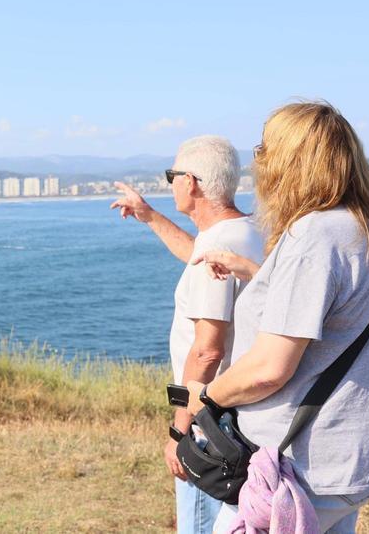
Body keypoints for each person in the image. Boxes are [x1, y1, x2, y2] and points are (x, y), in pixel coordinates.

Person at [186, 102, 369, 534]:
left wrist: (206, 397)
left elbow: (269, 368)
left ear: (289, 163)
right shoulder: (368, 229)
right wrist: (254, 273)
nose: (259, 161)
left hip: (298, 467)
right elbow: (334, 308)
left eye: (265, 149)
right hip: (348, 458)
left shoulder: (313, 235)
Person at [112, 135, 265, 534]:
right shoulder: (246, 231)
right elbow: (196, 253)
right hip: (240, 414)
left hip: (211, 423)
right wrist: (148, 215)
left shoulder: (219, 242)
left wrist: (180, 431)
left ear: (192, 182)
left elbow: (206, 352)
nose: (171, 183)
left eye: (172, 175)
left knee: (199, 524)